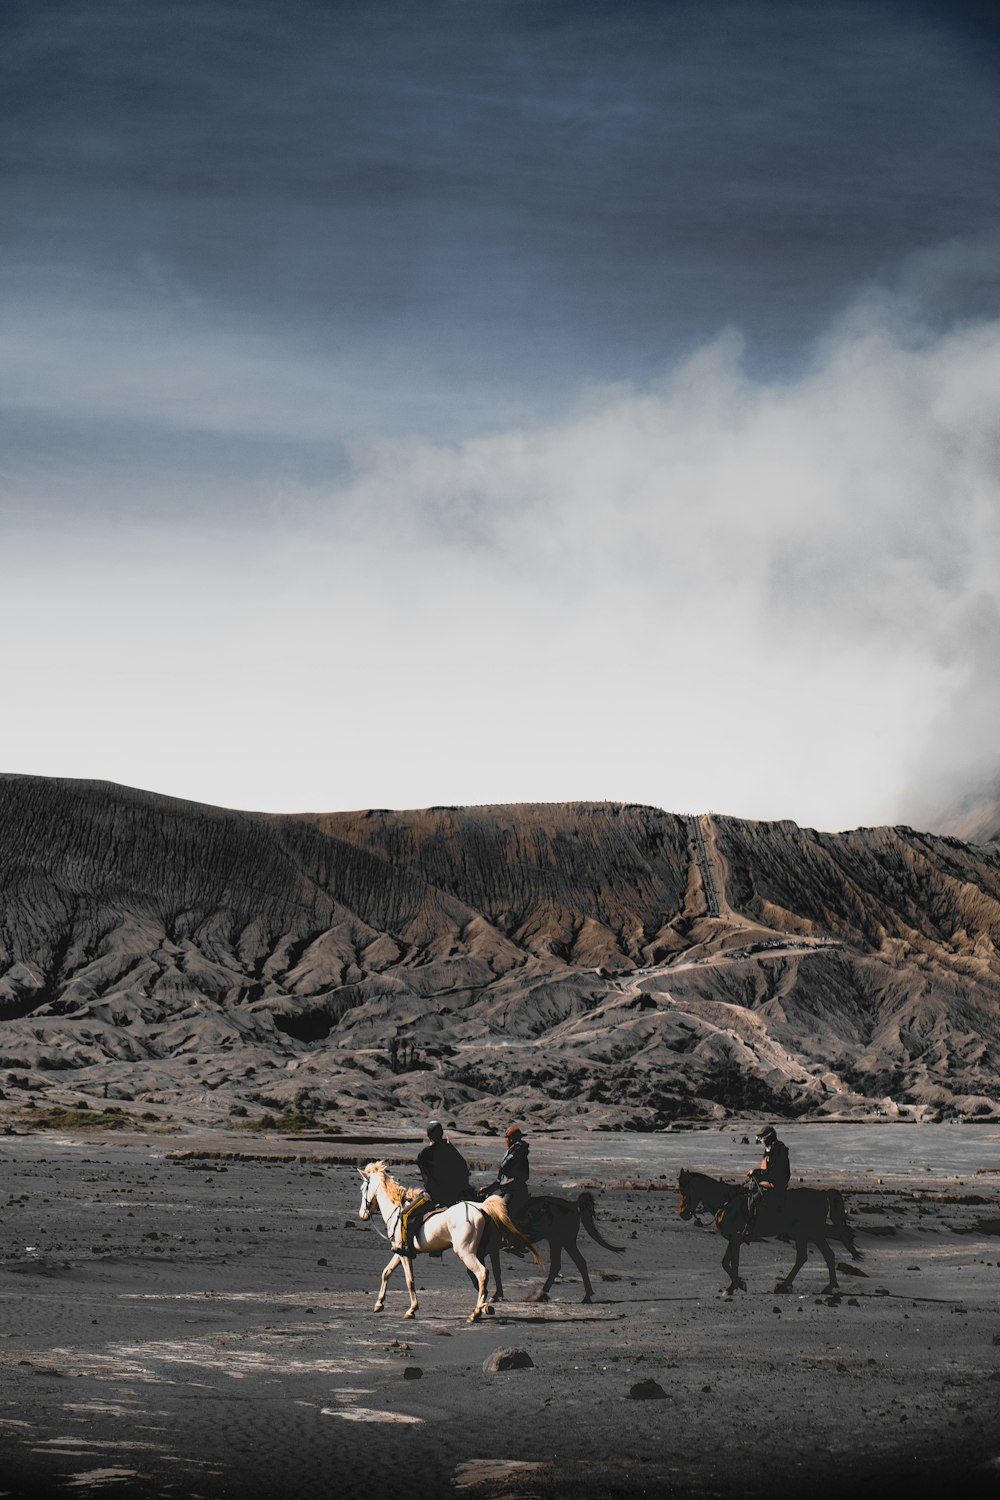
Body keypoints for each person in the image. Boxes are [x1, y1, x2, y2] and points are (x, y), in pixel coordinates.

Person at [399, 1121, 470, 1256]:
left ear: (429, 1136)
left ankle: (406, 1247)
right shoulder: (450, 1149)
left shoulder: (426, 1154)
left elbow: (422, 1165)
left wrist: (433, 1146)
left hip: (434, 1196)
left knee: (405, 1214)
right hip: (454, 1196)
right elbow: (462, 1167)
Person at [743, 1124, 790, 1238]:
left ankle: (751, 1230)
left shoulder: (778, 1149)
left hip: (777, 1182)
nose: (760, 1141)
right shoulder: (769, 1149)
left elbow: (773, 1171)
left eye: (761, 1138)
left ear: (768, 1137)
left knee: (754, 1201)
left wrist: (756, 1172)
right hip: (770, 1179)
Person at [494, 1125, 530, 1222]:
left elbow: (504, 1167)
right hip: (509, 1188)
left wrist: (494, 1185)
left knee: (502, 1214)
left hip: (514, 1190)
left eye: (506, 1138)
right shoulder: (516, 1150)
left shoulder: (517, 1151)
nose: (505, 1141)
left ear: (510, 1139)